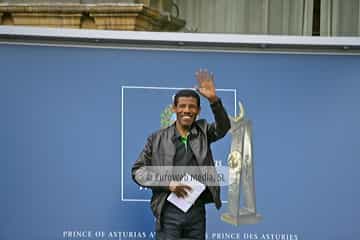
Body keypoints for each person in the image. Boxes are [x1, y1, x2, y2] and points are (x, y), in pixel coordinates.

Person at [132, 69, 231, 240]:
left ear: (198, 110)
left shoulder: (204, 131)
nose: (187, 110)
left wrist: (214, 100)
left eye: (192, 107)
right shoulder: (156, 139)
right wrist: (168, 183)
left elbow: (223, 127)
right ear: (174, 109)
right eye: (182, 106)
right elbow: (138, 171)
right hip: (168, 209)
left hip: (196, 210)